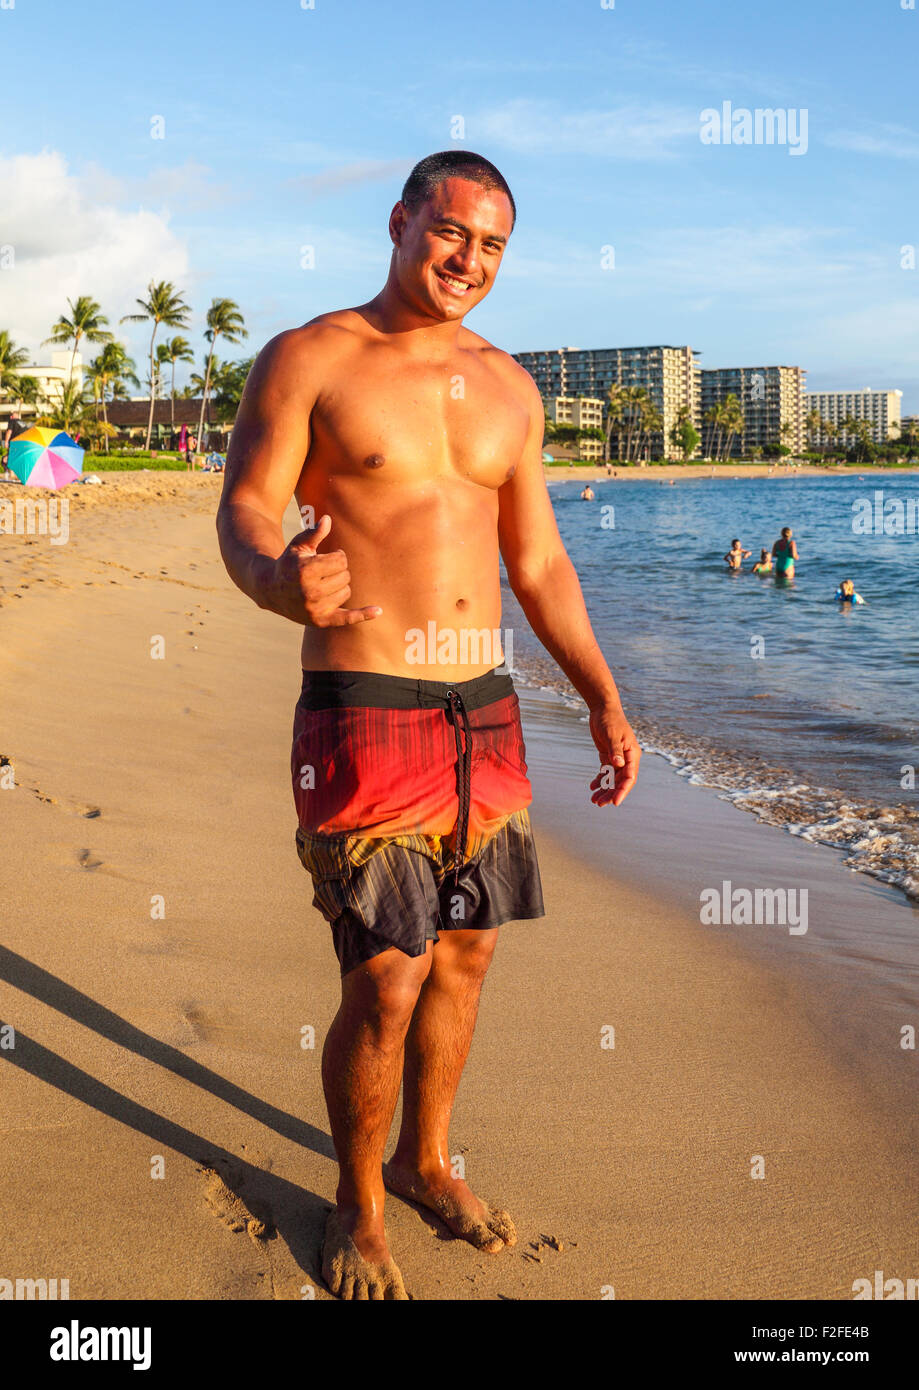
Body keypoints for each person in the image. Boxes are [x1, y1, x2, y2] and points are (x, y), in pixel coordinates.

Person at [216, 149, 641, 1302]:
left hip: (484, 714)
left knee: (465, 955)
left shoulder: (509, 385)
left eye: (493, 245)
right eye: (451, 231)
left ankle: (425, 1159)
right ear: (401, 219)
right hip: (365, 707)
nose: (469, 260)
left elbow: (538, 560)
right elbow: (247, 507)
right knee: (388, 975)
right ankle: (357, 1205)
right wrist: (271, 579)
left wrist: (601, 694)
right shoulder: (312, 356)